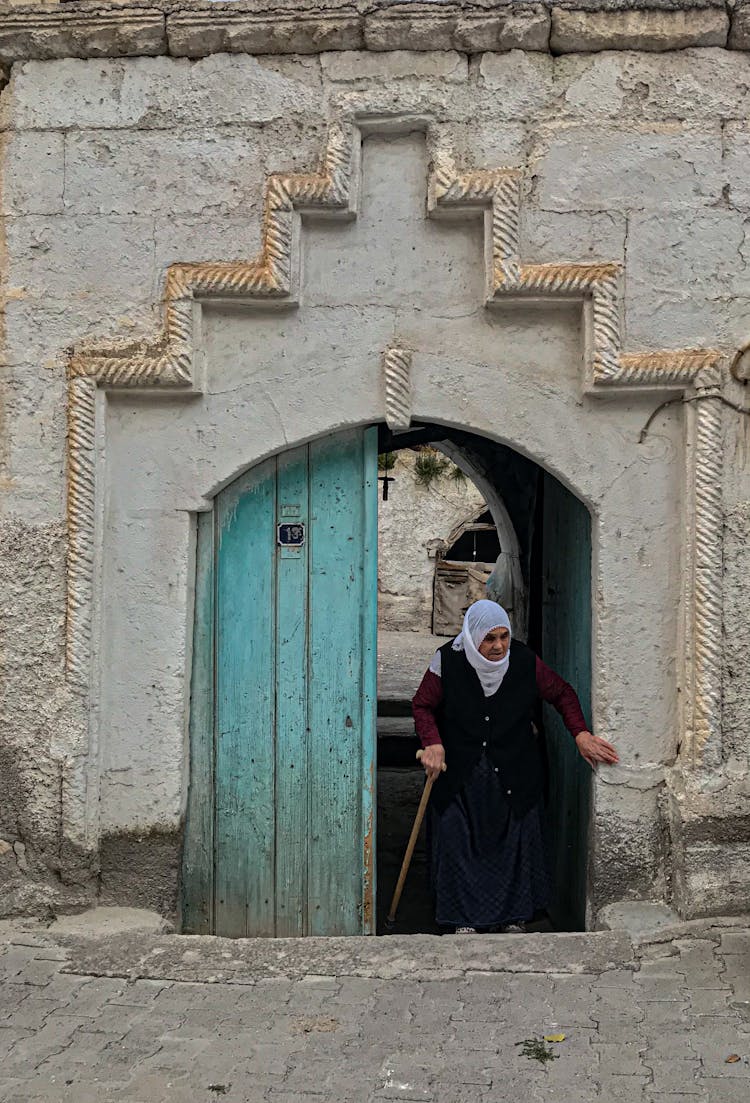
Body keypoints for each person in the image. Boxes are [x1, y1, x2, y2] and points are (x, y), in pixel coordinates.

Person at [412, 599, 618, 934]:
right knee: (458, 839)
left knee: (513, 844)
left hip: (513, 771)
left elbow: (562, 693)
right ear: (473, 635)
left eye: (503, 637)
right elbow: (422, 704)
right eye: (489, 638)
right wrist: (432, 741)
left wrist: (579, 733)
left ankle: (513, 917)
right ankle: (464, 919)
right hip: (461, 774)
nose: (498, 646)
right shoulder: (447, 660)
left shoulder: (524, 661)